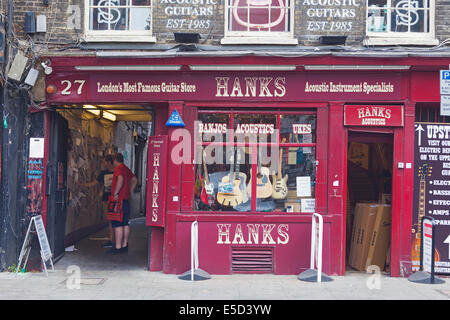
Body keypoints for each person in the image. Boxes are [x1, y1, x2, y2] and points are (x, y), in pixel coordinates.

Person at [79, 154, 115, 248]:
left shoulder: (118, 172)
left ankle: (115, 240)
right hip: (107, 199)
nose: (102, 164)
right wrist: (81, 184)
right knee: (111, 220)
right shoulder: (103, 173)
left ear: (108, 162)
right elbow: (94, 183)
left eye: (104, 162)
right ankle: (113, 239)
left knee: (116, 220)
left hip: (116, 199)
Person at [108, 153, 138, 254]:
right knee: (125, 223)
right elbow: (134, 179)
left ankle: (118, 247)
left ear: (115, 160)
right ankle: (124, 245)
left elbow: (120, 179)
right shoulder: (126, 168)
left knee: (117, 224)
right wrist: (130, 190)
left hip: (118, 200)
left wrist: (116, 192)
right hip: (126, 199)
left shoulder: (118, 168)